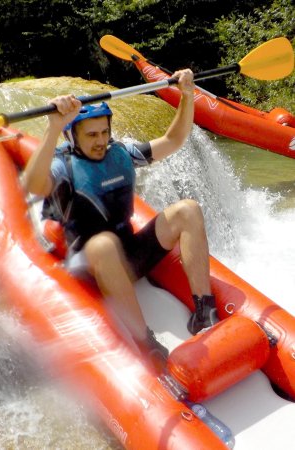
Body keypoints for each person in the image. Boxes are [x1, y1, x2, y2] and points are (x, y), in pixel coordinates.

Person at [23, 69, 217, 368]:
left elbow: (174, 140)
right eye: (91, 135)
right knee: (103, 245)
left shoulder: (121, 152)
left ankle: (205, 311)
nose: (100, 140)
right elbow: (33, 185)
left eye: (104, 132)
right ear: (71, 135)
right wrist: (53, 126)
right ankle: (144, 342)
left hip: (130, 255)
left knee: (187, 209)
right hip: (92, 267)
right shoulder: (63, 164)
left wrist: (187, 96)